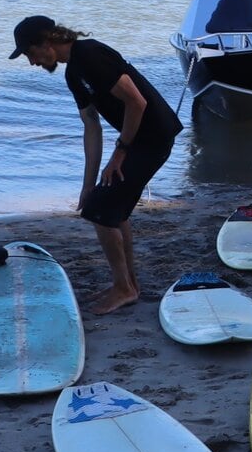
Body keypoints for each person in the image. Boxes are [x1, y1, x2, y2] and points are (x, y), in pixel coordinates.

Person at [10, 15, 183, 314]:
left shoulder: (89, 54)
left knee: (101, 213)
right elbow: (91, 127)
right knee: (106, 205)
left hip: (153, 137)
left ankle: (124, 288)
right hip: (138, 141)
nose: (32, 62)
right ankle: (128, 283)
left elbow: (136, 102)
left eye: (30, 53)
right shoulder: (73, 74)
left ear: (47, 42)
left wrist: (120, 152)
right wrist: (87, 185)